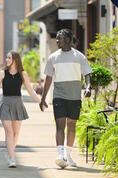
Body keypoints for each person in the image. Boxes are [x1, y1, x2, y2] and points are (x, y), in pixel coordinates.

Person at [39, 29, 91, 169]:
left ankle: (68, 154)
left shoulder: (79, 56)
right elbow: (48, 79)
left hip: (74, 96)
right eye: (56, 38)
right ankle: (60, 155)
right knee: (60, 125)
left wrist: (88, 87)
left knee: (72, 126)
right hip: (59, 96)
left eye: (59, 38)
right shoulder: (53, 57)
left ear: (68, 39)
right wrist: (43, 98)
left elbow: (87, 74)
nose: (57, 41)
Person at [0, 51, 41, 168]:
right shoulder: (2, 73)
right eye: (6, 57)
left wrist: (41, 102)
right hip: (6, 104)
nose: (7, 59)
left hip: (18, 104)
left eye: (9, 58)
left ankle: (9, 152)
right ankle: (12, 158)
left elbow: (30, 90)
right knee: (9, 132)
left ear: (15, 60)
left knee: (16, 133)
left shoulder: (23, 74)